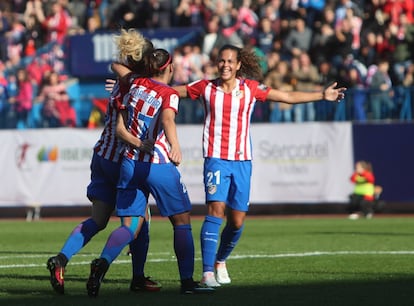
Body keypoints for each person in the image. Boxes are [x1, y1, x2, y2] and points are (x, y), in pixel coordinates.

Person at [110, 44, 346, 288]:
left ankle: (221, 259)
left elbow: (286, 96)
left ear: (238, 65)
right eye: (221, 61)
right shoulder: (205, 87)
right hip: (215, 159)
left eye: (230, 61)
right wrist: (127, 87)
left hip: (242, 160)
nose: (225, 65)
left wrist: (321, 95)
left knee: (237, 221)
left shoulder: (250, 89)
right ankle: (207, 273)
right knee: (216, 211)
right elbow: (165, 89)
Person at [86, 48, 215, 297]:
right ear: (170, 68)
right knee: (181, 221)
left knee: (130, 226)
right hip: (157, 163)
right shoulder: (168, 93)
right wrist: (175, 146)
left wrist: (129, 70)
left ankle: (102, 263)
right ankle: (187, 282)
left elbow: (117, 66)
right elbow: (167, 120)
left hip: (129, 163)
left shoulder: (136, 83)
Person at [46, 28, 160, 295]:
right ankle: (112, 267)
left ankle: (61, 259)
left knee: (98, 219)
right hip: (124, 160)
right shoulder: (140, 87)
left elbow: (116, 65)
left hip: (101, 156)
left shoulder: (123, 82)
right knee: (134, 222)